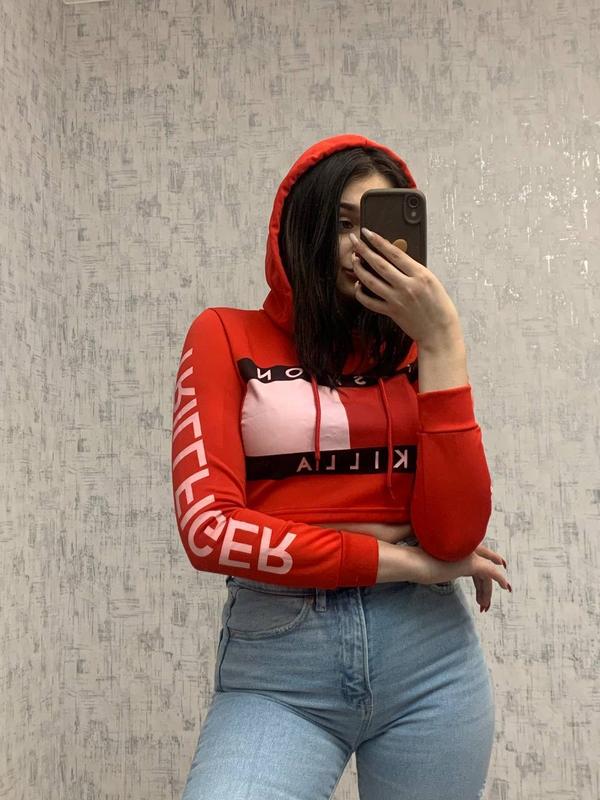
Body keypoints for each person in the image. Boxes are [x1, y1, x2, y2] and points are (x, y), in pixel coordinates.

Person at [172, 133, 511, 800]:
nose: (362, 246)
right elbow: (210, 531)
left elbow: (453, 536)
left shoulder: (418, 352)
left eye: (377, 224)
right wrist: (403, 560)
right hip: (282, 663)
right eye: (343, 224)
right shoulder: (224, 334)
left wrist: (443, 340)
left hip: (430, 659)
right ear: (303, 230)